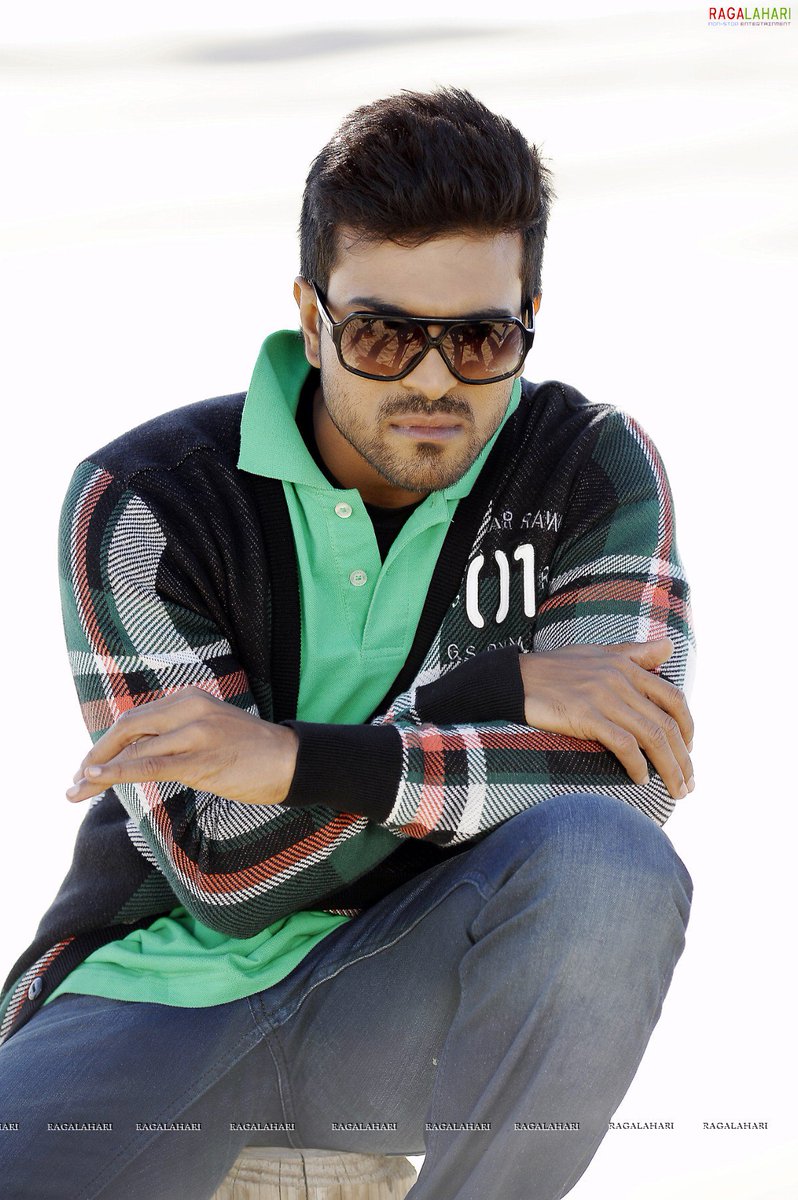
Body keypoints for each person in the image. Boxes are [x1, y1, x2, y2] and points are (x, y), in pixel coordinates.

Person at [0, 88, 695, 1200]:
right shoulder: (144, 502)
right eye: (382, 335)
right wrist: (494, 696)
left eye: (481, 337)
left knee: (608, 867)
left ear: (529, 317)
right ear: (312, 317)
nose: (433, 381)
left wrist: (288, 758)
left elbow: (626, 787)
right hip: (152, 990)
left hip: (411, 1004)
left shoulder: (588, 470)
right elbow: (221, 867)